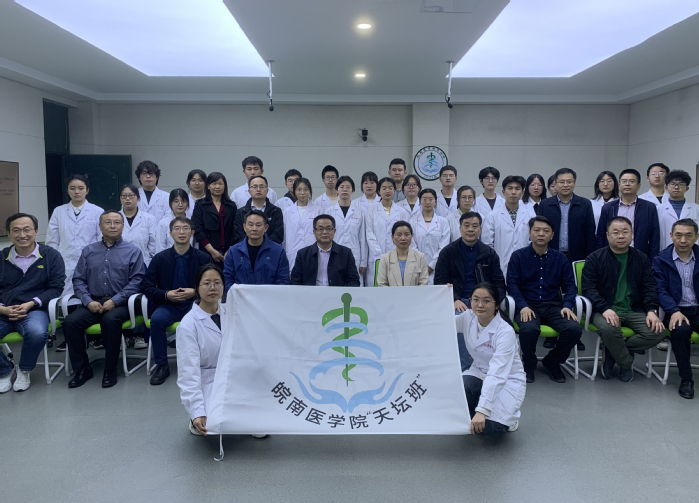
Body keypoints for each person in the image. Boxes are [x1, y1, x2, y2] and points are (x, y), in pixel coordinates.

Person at [65, 210, 145, 389]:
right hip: (93, 301)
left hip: (121, 303)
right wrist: (87, 301)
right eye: (108, 222)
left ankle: (110, 369)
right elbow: (78, 280)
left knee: (110, 320)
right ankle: (82, 369)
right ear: (100, 227)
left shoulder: (133, 251)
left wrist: (115, 300)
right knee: (71, 322)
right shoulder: (88, 251)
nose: (112, 226)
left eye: (117, 223)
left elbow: (137, 281)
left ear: (123, 227)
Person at [582, 216, 665, 382]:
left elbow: (649, 287)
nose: (621, 236)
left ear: (632, 234)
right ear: (607, 235)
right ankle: (626, 363)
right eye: (616, 232)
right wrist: (604, 308)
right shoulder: (595, 258)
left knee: (658, 332)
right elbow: (588, 289)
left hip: (634, 309)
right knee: (609, 329)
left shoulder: (641, 258)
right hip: (605, 309)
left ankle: (612, 351)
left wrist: (651, 310)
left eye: (625, 232)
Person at [506, 216, 581, 384]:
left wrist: (568, 305)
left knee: (574, 329)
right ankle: (529, 364)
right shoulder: (518, 256)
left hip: (553, 306)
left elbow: (570, 286)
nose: (541, 234)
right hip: (528, 306)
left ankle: (552, 361)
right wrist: (522, 306)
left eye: (546, 231)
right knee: (528, 329)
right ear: (530, 233)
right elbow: (512, 285)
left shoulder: (560, 258)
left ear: (552, 235)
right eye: (537, 230)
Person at [141, 216, 212, 385]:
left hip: (195, 305)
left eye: (186, 228)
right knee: (157, 320)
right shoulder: (160, 259)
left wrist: (195, 292)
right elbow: (146, 287)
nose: (181, 232)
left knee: (208, 319)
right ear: (170, 233)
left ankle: (206, 363)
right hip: (168, 305)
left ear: (192, 233)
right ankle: (161, 365)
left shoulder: (203, 258)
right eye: (177, 229)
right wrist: (166, 294)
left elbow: (213, 285)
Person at [0, 213, 66, 393]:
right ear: (8, 233)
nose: (22, 235)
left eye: (27, 230)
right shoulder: (2, 257)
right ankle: (4, 371)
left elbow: (56, 287)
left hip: (35, 309)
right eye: (16, 231)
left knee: (36, 332)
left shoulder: (51, 256)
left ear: (36, 231)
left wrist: (31, 303)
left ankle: (24, 369)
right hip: (4, 310)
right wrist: (3, 309)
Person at [434, 212, 506, 372]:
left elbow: (499, 283)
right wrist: (454, 299)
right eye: (466, 226)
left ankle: (491, 367)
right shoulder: (448, 252)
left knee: (499, 324)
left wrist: (492, 302)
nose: (470, 229)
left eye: (475, 226)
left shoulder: (489, 253)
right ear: (460, 228)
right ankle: (464, 367)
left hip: (484, 301)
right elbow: (440, 281)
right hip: (459, 301)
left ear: (480, 229)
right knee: (459, 320)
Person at [455, 283, 525, 436]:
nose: (480, 305)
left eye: (486, 301)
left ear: (496, 305)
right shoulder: (468, 317)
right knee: (459, 390)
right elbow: (443, 324)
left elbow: (497, 372)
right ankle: (481, 406)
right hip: (479, 371)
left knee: (492, 429)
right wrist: (442, 295)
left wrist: (482, 410)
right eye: (475, 299)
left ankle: (510, 416)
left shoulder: (505, 332)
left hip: (506, 379)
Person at [176, 264, 227, 436]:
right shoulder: (188, 325)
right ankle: (195, 416)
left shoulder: (233, 313)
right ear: (197, 288)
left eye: (217, 283)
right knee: (211, 424)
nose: (213, 287)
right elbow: (188, 371)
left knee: (258, 422)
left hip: (234, 376)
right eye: (206, 283)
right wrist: (197, 411)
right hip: (207, 379)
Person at [652, 219, 699, 399]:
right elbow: (660, 289)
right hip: (675, 310)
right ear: (671, 236)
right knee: (680, 331)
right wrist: (673, 310)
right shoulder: (660, 260)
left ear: (696, 237)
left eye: (688, 235)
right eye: (678, 235)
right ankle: (686, 379)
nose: (683, 240)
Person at [45, 174, 102, 298]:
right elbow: (52, 240)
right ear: (67, 190)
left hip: (90, 261)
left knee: (89, 296)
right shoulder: (59, 211)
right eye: (72, 188)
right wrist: (54, 260)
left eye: (81, 188)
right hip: (65, 261)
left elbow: (101, 238)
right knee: (65, 297)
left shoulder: (97, 211)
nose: (77, 192)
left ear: (87, 190)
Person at [596, 168, 659, 259]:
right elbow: (601, 235)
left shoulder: (649, 207)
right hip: (611, 256)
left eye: (632, 181)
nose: (627, 184)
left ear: (639, 186)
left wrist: (653, 260)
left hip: (639, 256)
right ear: (619, 185)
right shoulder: (608, 207)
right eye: (624, 181)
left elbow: (654, 237)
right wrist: (601, 257)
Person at [481, 175, 535, 279]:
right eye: (510, 188)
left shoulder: (530, 216)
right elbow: (487, 245)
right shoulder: (492, 217)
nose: (513, 192)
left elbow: (533, 242)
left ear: (522, 193)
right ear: (503, 192)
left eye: (517, 189)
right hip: (500, 266)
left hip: (525, 265)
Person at [539, 168, 596, 263]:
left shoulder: (585, 204)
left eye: (569, 182)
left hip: (577, 257)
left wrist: (589, 258)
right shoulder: (545, 205)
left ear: (574, 183)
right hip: (550, 256)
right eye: (562, 182)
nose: (565, 185)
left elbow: (590, 234)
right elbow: (539, 232)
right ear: (555, 184)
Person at [224, 210, 290, 289]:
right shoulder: (234, 252)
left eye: (258, 225)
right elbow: (228, 279)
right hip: (240, 296)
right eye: (250, 225)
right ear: (244, 227)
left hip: (269, 296)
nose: (254, 229)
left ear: (266, 228)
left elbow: (283, 280)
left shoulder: (278, 251)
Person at [290, 215, 361, 286]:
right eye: (320, 229)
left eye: (328, 228)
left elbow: (353, 280)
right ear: (314, 232)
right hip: (310, 292)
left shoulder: (346, 253)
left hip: (336, 292)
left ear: (334, 231)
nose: (324, 232)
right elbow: (295, 280)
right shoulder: (303, 254)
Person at [365, 177, 411, 287]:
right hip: (377, 257)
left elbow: (406, 234)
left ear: (394, 190)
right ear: (379, 191)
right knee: (378, 287)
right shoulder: (371, 211)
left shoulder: (402, 212)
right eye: (384, 188)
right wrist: (379, 254)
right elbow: (369, 234)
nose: (387, 191)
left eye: (390, 188)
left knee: (396, 286)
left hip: (398, 256)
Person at [192, 172, 237, 263]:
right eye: (214, 183)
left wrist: (230, 251)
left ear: (225, 186)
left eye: (220, 184)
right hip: (206, 251)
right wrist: (212, 251)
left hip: (228, 253)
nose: (217, 186)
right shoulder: (200, 205)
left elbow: (236, 229)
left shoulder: (231, 206)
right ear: (208, 186)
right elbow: (197, 229)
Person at [329, 176, 367, 285]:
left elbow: (362, 237)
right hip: (334, 254)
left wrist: (363, 261)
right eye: (342, 187)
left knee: (354, 284)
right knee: (335, 284)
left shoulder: (360, 212)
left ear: (353, 190)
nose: (345, 190)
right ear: (337, 190)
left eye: (348, 187)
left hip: (354, 254)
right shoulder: (329, 212)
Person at [410, 188, 450, 285]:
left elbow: (443, 246)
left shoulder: (443, 222)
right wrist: (422, 264)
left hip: (437, 266)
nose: (427, 202)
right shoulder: (412, 221)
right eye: (424, 199)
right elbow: (411, 244)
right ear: (419, 202)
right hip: (417, 266)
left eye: (431, 199)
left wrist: (432, 265)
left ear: (435, 202)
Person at [282, 177, 321, 271]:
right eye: (299, 190)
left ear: (310, 191)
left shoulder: (318, 210)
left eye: (306, 189)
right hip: (293, 252)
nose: (302, 193)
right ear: (294, 191)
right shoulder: (287, 211)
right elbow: (285, 236)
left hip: (313, 251)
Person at [232, 175, 283, 245]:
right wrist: (252, 245)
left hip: (270, 249)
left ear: (267, 191)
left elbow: (278, 235)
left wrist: (262, 245)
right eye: (255, 186)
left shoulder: (276, 211)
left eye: (262, 186)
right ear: (249, 191)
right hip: (246, 249)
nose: (258, 189)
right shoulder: (240, 212)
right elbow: (238, 235)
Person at [377, 221, 429, 286]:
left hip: (415, 293)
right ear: (392, 237)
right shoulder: (385, 258)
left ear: (411, 236)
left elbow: (423, 283)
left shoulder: (420, 257)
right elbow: (382, 284)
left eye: (407, 234)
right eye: (399, 235)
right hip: (391, 293)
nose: (403, 238)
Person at [658, 170, 699, 250]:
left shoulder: (696, 209)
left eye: (681, 184)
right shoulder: (657, 209)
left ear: (687, 188)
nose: (676, 187)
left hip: (692, 251)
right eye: (673, 184)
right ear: (666, 187)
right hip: (664, 250)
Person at [119, 183, 157, 267]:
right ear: (120, 198)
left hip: (143, 263)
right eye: (124, 196)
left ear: (138, 198)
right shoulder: (114, 218)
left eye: (131, 195)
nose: (127, 199)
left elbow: (153, 246)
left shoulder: (149, 219)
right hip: (119, 263)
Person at [155, 188, 192, 253]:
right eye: (176, 201)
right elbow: (160, 247)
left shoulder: (192, 221)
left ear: (188, 203)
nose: (180, 204)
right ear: (170, 203)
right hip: (168, 257)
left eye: (183, 201)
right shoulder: (163, 223)